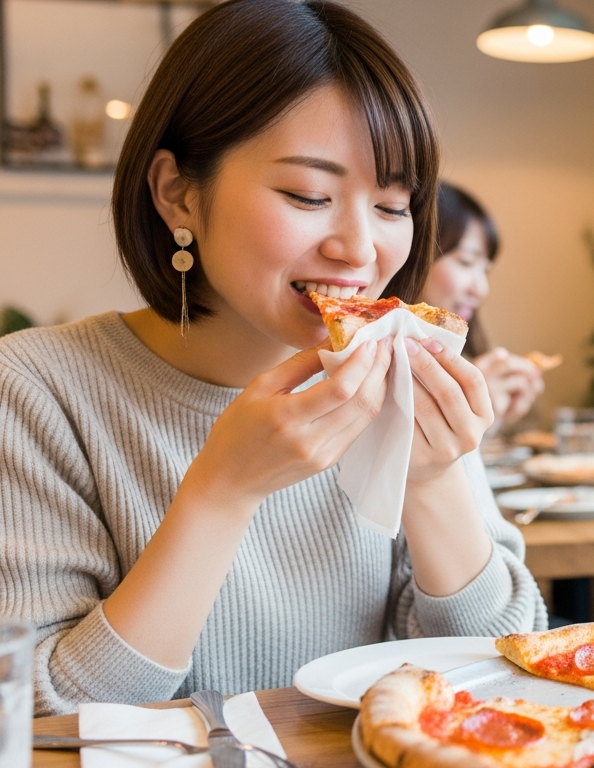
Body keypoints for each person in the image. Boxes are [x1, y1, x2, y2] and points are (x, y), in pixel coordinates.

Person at [0, 0, 545, 717]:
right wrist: (222, 491)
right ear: (177, 194)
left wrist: (435, 476)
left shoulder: (402, 373)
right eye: (308, 194)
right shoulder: (36, 389)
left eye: (392, 206)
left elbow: (509, 676)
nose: (359, 249)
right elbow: (39, 716)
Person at [421, 182, 543, 433]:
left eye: (485, 270)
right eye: (466, 262)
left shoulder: (462, 358)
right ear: (416, 254)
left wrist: (493, 419)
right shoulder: (379, 366)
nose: (481, 289)